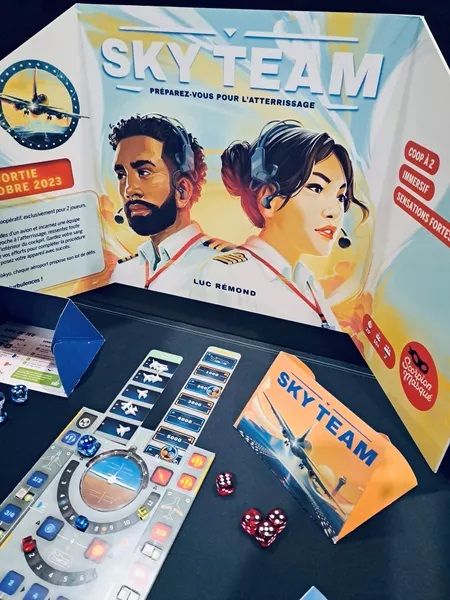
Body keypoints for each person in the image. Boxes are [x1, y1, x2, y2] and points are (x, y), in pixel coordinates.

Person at [190, 120, 369, 329]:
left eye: (340, 196)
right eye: (316, 188)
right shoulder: (228, 274)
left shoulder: (307, 281)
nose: (335, 211)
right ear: (269, 200)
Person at [108, 114, 232, 291]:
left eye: (144, 172)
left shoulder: (221, 270)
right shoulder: (124, 271)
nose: (129, 189)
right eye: (121, 175)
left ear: (182, 190)